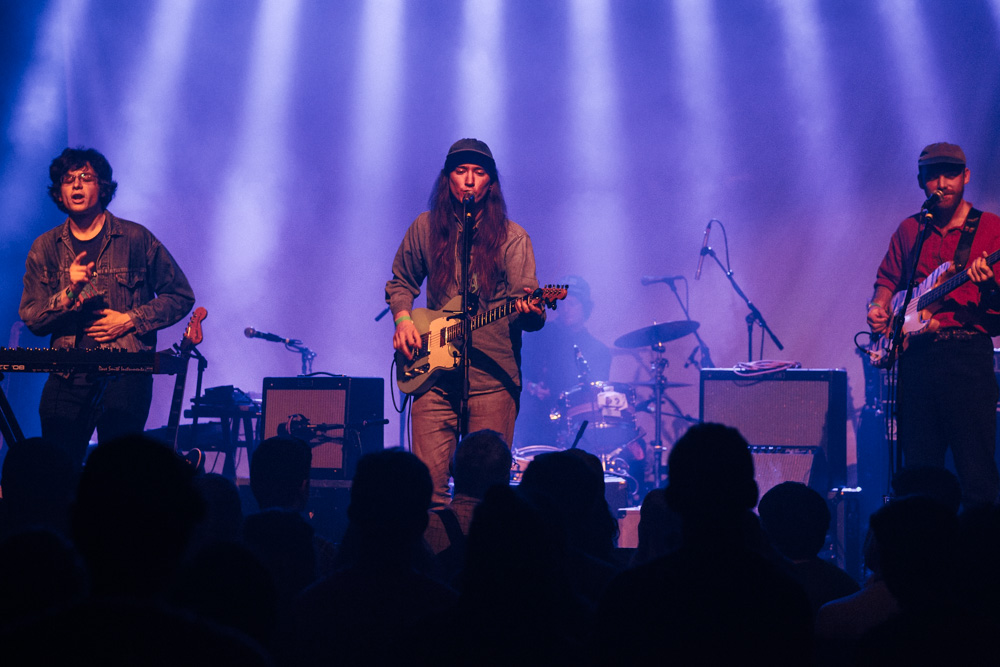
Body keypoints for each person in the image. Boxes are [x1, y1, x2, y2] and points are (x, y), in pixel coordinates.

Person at [386, 138, 545, 507]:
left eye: (479, 172)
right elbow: (401, 282)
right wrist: (404, 320)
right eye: (461, 172)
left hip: (492, 381)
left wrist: (530, 311)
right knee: (427, 494)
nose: (470, 180)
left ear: (491, 183)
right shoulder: (425, 229)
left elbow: (528, 309)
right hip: (433, 375)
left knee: (487, 497)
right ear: (448, 180)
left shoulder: (513, 238)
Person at [19, 148, 195, 470]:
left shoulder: (135, 238)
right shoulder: (45, 247)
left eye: (85, 178)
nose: (76, 186)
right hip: (67, 373)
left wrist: (131, 319)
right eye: (68, 180)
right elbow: (32, 318)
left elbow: (180, 295)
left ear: (102, 186)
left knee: (120, 474)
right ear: (58, 191)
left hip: (125, 374)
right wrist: (69, 292)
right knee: (57, 470)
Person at [867, 142, 1000, 507]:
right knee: (918, 474)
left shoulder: (990, 228)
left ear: (966, 177)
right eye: (933, 176)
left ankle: (983, 557)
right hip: (917, 361)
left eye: (952, 174)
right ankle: (921, 555)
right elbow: (887, 279)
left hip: (965, 359)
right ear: (920, 181)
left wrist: (986, 281)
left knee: (976, 473)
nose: (942, 183)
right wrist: (878, 306)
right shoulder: (911, 229)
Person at [516, 274, 612, 447]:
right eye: (562, 303)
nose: (566, 309)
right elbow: (514, 371)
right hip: (537, 425)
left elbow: (597, 393)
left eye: (573, 304)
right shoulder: (536, 336)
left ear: (585, 308)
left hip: (580, 430)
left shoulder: (599, 351)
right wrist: (532, 387)